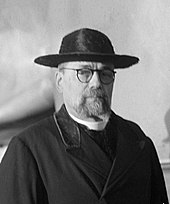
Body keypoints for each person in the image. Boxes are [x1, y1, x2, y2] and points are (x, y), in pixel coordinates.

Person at [0, 28, 168, 204]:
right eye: (84, 73)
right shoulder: (30, 149)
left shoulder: (136, 141)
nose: (96, 83)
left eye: (105, 74)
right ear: (60, 81)